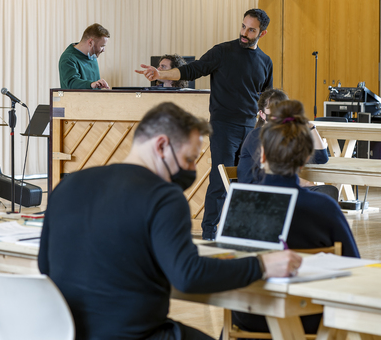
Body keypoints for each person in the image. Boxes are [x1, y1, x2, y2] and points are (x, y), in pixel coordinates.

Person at [38, 102, 301, 340]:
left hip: (69, 333)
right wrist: (262, 265)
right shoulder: (163, 196)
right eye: (188, 159)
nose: (190, 170)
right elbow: (188, 275)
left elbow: (44, 265)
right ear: (161, 145)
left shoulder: (67, 185)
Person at [136, 9, 273, 240]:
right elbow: (192, 70)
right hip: (223, 127)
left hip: (251, 129)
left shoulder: (265, 61)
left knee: (247, 181)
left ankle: (239, 231)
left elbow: (265, 97)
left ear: (262, 33)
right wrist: (161, 73)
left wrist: (267, 119)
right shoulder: (222, 52)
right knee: (221, 180)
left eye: (251, 30)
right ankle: (210, 232)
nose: (244, 33)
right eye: (243, 26)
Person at [232, 100, 359, 337]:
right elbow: (354, 266)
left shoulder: (241, 204)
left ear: (262, 157)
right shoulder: (324, 207)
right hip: (311, 320)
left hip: (249, 318)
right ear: (303, 161)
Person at [237, 88, 339, 200]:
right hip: (259, 191)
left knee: (329, 191)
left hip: (282, 189)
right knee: (318, 196)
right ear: (262, 114)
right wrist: (305, 183)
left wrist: (310, 127)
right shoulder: (257, 135)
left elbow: (321, 158)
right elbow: (274, 173)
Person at [59, 23, 111, 89]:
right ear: (90, 43)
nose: (103, 50)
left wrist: (99, 84)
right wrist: (91, 84)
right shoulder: (68, 58)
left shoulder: (92, 56)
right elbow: (71, 83)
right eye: (102, 46)